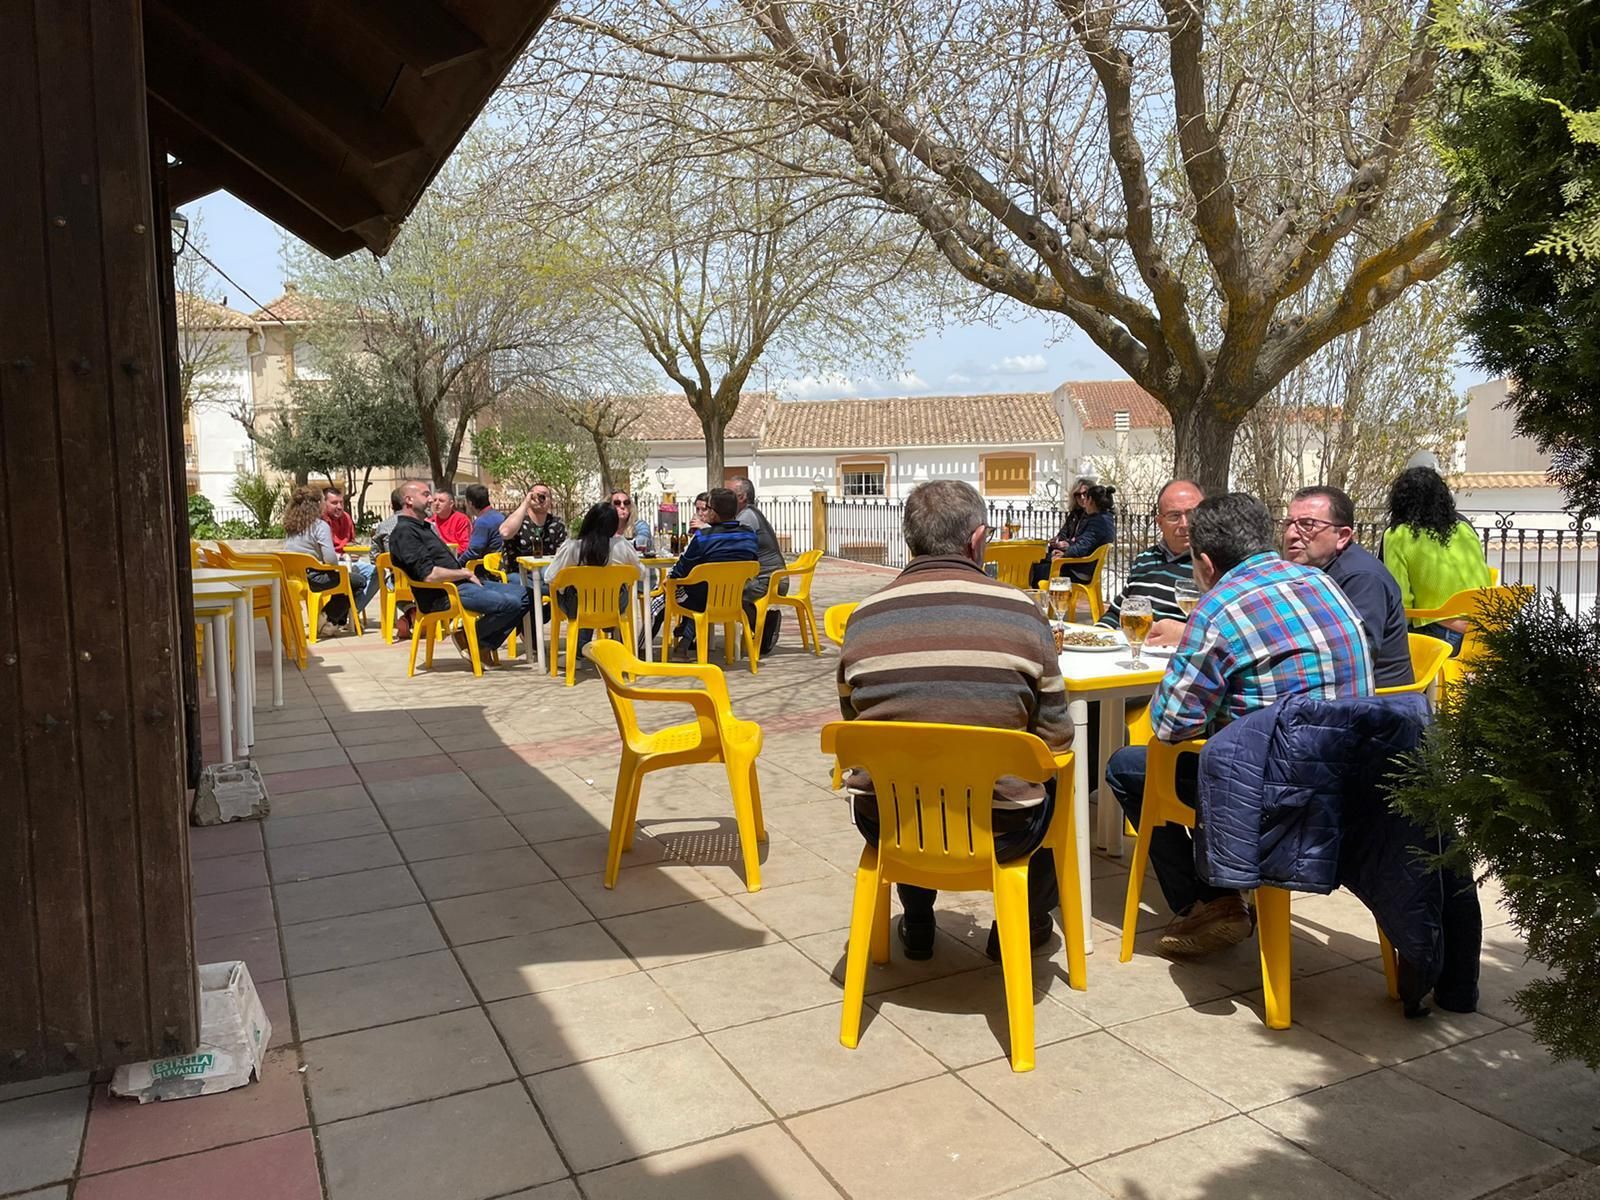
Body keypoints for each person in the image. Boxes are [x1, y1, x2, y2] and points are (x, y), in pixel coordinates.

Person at [1105, 493, 1375, 957]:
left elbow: (1170, 725)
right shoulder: (1323, 583)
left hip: (1274, 795)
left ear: (1206, 564)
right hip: (1354, 778)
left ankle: (1212, 901)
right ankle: (1220, 894)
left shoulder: (1217, 609)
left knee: (1128, 765)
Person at [838, 479, 1071, 961]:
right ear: (978, 538)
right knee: (1060, 785)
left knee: (905, 771)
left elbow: (855, 726)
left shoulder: (862, 617)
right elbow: (1056, 736)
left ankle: (918, 919)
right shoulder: (1022, 613)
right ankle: (1022, 927)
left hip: (889, 825)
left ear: (910, 540)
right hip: (1003, 829)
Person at [1282, 485, 1413, 690]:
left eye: (1307, 525)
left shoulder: (1361, 578)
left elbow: (1353, 656)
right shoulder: (1308, 572)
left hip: (1378, 703)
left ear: (1342, 536)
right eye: (1288, 523)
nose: (1291, 534)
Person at [389, 480, 530, 666]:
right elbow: (429, 575)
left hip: (460, 584)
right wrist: (463, 573)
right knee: (510, 604)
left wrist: (464, 575)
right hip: (444, 594)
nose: (431, 499)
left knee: (526, 594)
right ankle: (474, 641)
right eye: (425, 494)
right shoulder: (405, 532)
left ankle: (476, 641)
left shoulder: (422, 527)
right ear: (408, 500)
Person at [1381, 466, 1492, 653]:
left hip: (1442, 634)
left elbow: (1400, 600)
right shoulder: (1464, 529)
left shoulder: (1397, 536)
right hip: (1486, 633)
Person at [1097, 479, 1205, 646]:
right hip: (1132, 654)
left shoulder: (1211, 566)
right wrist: (1095, 638)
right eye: (1174, 516)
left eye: (1193, 514)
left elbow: (1221, 633)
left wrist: (1185, 635)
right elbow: (1116, 613)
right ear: (1159, 522)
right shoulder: (1145, 560)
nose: (1185, 524)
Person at [651, 488, 758, 649]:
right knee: (698, 588)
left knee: (659, 600)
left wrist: (669, 579)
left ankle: (638, 649)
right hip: (733, 598)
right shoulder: (749, 535)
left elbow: (682, 567)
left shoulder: (704, 537)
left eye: (707, 508)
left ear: (713, 513)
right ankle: (684, 643)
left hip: (699, 598)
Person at [542, 502, 645, 648]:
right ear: (614, 524)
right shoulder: (623, 546)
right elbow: (640, 573)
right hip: (615, 606)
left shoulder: (572, 547)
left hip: (577, 608)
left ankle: (577, 654)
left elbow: (549, 577)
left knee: (578, 594)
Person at [729, 477, 788, 654]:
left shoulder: (746, 518)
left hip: (768, 579)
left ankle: (764, 627)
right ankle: (762, 626)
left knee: (723, 594)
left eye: (729, 494)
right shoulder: (748, 514)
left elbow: (731, 547)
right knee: (721, 592)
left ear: (742, 497)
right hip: (762, 577)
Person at [1031, 481, 1115, 587]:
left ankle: (1037, 600)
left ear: (1091, 501)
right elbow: (1072, 537)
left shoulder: (1098, 521)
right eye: (1078, 495)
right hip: (1075, 563)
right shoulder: (1100, 518)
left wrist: (1065, 553)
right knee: (1038, 562)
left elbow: (1083, 546)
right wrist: (1059, 545)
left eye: (1086, 495)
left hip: (1079, 569)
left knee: (1035, 570)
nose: (1082, 498)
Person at [320, 483, 377, 617]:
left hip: (348, 560)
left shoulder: (346, 517)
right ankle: (340, 615)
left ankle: (351, 612)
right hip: (328, 563)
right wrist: (342, 556)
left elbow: (351, 541)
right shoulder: (320, 521)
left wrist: (354, 551)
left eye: (341, 502)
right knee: (354, 578)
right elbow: (322, 552)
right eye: (334, 503)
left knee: (377, 572)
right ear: (324, 503)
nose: (339, 506)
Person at [500, 483, 567, 561]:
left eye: (544, 495)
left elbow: (563, 551)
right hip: (517, 570)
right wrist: (525, 503)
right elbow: (505, 533)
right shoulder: (517, 519)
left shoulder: (556, 524)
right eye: (536, 495)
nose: (540, 499)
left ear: (550, 501)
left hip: (546, 569)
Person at [459, 484, 505, 574]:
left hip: (489, 571)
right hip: (502, 565)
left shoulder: (482, 522)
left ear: (470, 503)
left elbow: (474, 552)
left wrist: (456, 564)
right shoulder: (500, 516)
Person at [429, 487, 473, 552]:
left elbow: (465, 546)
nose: (436, 504)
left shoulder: (461, 520)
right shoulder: (429, 521)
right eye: (434, 500)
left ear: (451, 504)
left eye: (441, 501)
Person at [610, 490, 654, 555]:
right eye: (617, 503)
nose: (622, 506)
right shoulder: (604, 527)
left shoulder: (640, 525)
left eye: (626, 502)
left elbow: (642, 542)